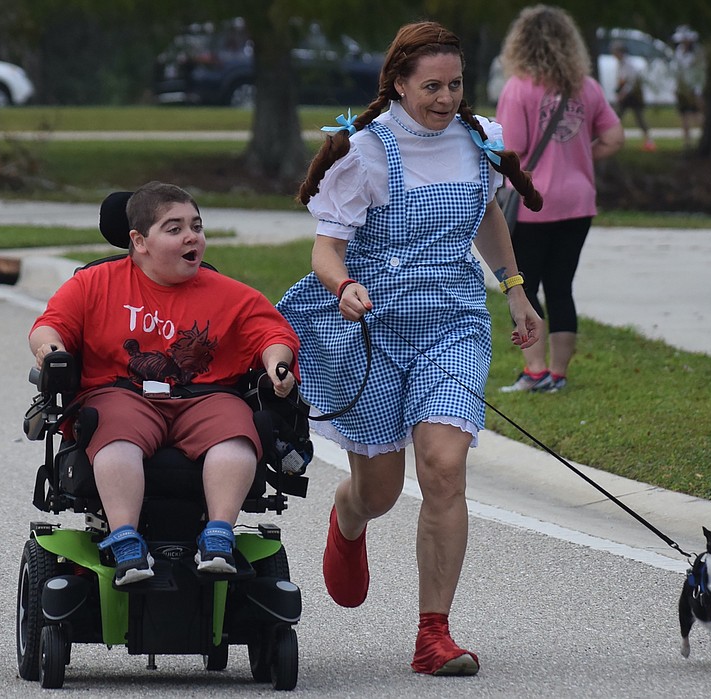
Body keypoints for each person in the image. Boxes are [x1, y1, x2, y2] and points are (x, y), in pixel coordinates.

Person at [277, 21, 543, 676]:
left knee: (444, 464)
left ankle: (434, 634)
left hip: (453, 324)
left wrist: (513, 288)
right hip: (374, 327)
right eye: (431, 85)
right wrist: (342, 286)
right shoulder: (364, 151)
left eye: (455, 84)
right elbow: (326, 249)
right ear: (398, 83)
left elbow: (485, 213)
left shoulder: (479, 143)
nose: (446, 97)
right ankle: (349, 513)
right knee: (383, 490)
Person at [29, 181, 299, 586]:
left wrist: (278, 365)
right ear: (139, 241)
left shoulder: (231, 295)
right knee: (114, 432)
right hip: (123, 393)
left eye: (197, 226)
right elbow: (50, 326)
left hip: (204, 397)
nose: (192, 237)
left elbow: (272, 335)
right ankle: (125, 541)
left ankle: (219, 536)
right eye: (174, 229)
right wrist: (51, 353)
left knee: (236, 432)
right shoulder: (94, 284)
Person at [495, 5, 624, 394]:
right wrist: (582, 157)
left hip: (533, 203)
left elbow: (510, 151)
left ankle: (534, 372)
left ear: (521, 44)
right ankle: (559, 374)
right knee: (561, 286)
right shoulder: (586, 87)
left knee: (524, 285)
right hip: (579, 202)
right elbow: (615, 137)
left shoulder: (518, 88)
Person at [611, 41, 656, 152]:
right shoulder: (620, 64)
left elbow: (631, 83)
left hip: (633, 96)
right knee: (617, 118)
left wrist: (623, 94)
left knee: (639, 118)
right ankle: (616, 140)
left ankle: (649, 141)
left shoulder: (628, 64)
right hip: (625, 95)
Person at [671, 25, 706, 149]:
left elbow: (699, 72)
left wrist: (697, 89)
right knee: (684, 115)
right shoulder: (679, 51)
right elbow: (678, 70)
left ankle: (704, 137)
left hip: (694, 88)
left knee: (697, 115)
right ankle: (687, 142)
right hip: (683, 88)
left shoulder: (697, 53)